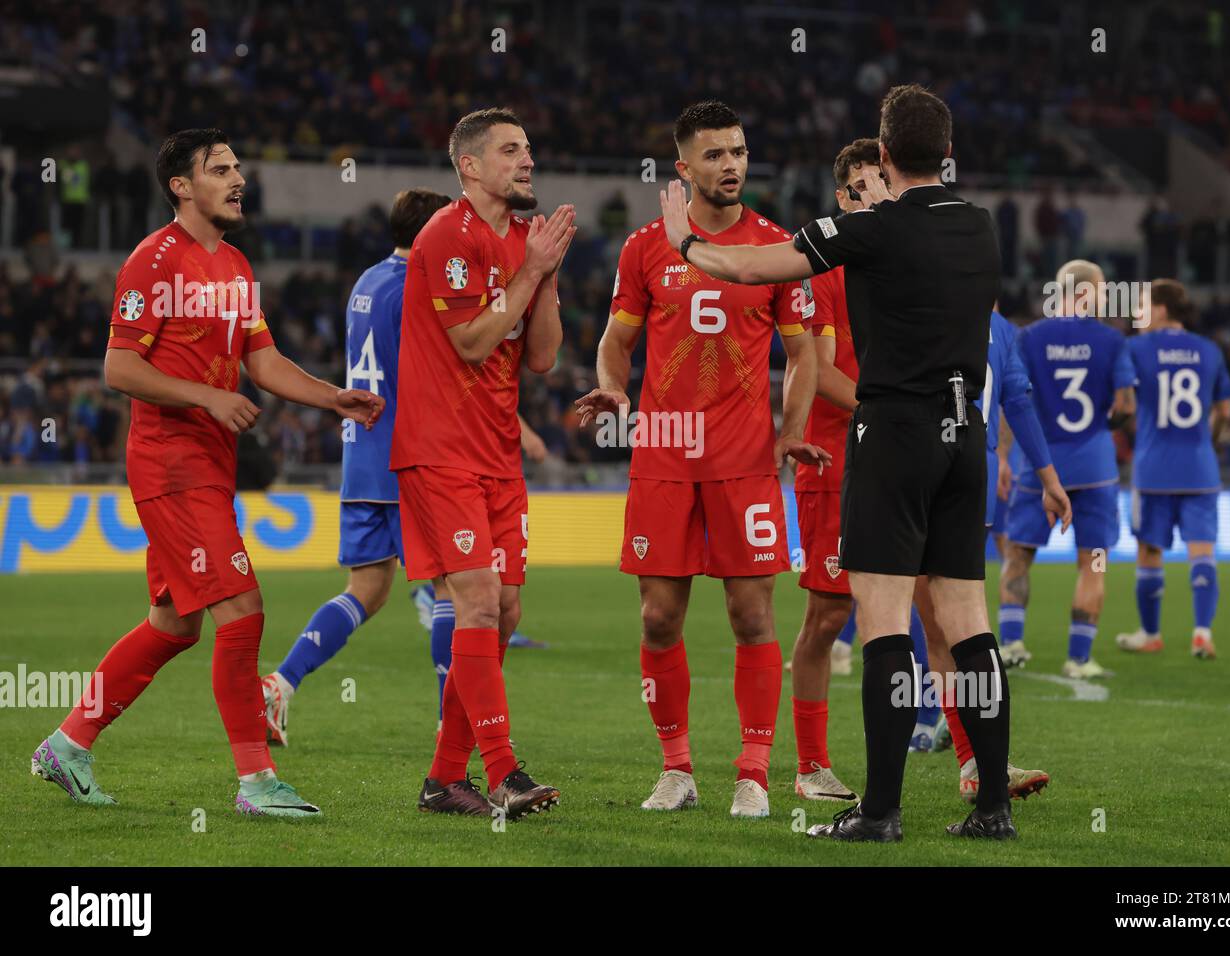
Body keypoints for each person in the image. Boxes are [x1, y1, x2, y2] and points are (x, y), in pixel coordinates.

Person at [657, 84, 1070, 841]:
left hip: (895, 435)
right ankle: (991, 808)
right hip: (965, 437)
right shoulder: (981, 227)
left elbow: (752, 270)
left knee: (881, 624)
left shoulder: (870, 227)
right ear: (947, 154)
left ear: (883, 156)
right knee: (969, 626)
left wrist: (683, 239)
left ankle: (879, 812)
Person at [31, 129, 383, 818]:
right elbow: (119, 367)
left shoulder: (236, 267)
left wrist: (330, 394)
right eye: (219, 169)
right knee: (242, 609)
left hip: (207, 462)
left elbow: (264, 361)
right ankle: (255, 783)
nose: (237, 178)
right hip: (171, 458)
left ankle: (68, 744)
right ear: (181, 187)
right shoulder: (153, 261)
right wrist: (206, 396)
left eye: (237, 167)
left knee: (173, 624)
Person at [575, 101, 828, 819]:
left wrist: (789, 430)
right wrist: (612, 387)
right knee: (658, 618)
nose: (732, 166)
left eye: (739, 152)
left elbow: (804, 353)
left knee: (752, 615)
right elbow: (617, 340)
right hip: (663, 453)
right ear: (683, 168)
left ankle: (753, 772)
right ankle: (676, 768)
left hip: (744, 459)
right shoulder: (645, 247)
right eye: (715, 155)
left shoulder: (779, 246)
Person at [394, 107, 573, 819]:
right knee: (475, 600)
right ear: (470, 167)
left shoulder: (527, 241)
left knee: (503, 612)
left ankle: (443, 778)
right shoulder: (448, 236)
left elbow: (542, 356)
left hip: (497, 452)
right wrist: (529, 270)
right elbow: (471, 341)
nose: (526, 160)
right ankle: (504, 773)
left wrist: (547, 276)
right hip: (440, 448)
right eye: (509, 151)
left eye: (528, 148)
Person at [259, 189, 451, 745]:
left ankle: (281, 684)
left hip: (361, 457)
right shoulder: (417, 286)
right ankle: (449, 721)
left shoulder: (367, 281)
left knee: (368, 588)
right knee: (450, 586)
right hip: (404, 455)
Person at [921, 306, 1063, 802]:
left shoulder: (918, 299)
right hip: (969, 478)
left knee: (937, 625)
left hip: (916, 469)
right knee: (958, 624)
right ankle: (977, 759)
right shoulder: (1002, 328)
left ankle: (973, 761)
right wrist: (1048, 479)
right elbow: (1018, 402)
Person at [788, 137, 891, 803]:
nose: (871, 194)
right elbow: (819, 369)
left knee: (937, 610)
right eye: (858, 186)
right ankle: (811, 766)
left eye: (881, 181)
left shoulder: (910, 263)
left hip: (905, 458)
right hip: (837, 461)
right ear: (841, 198)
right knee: (828, 617)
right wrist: (889, 413)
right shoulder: (825, 272)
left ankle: (974, 762)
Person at [1000, 260, 1135, 678]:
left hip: (1037, 466)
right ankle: (1079, 658)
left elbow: (1011, 401)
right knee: (1092, 562)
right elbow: (1126, 405)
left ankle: (1010, 645)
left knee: (1018, 555)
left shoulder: (1028, 337)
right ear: (1087, 291)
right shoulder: (1112, 341)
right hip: (1095, 469)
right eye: (1102, 288)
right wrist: (1107, 423)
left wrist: (1004, 456)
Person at [1116, 279, 1230, 659]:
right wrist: (1205, 439)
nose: (1136, 313)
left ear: (1162, 309)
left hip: (1153, 470)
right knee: (1202, 552)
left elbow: (1124, 401)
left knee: (1149, 552)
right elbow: (1225, 411)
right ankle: (1202, 633)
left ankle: (1151, 634)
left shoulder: (1134, 348)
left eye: (1142, 305)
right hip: (1200, 468)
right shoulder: (1210, 350)